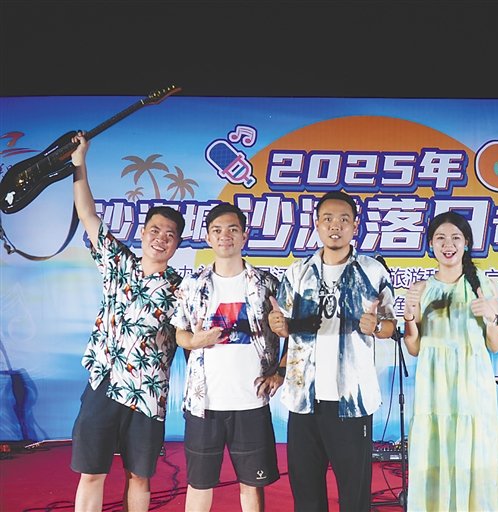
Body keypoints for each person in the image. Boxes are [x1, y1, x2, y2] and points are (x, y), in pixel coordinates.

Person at [69, 133, 185, 512]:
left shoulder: (182, 290)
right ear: (142, 233)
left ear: (177, 245)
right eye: (155, 231)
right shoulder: (118, 263)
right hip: (103, 383)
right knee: (92, 473)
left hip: (147, 395)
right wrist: (79, 163)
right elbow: (88, 215)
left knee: (140, 477)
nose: (160, 239)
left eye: (170, 235)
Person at [267, 191, 396, 512]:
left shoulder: (373, 271)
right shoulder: (297, 272)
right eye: (328, 219)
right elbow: (283, 327)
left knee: (354, 496)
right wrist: (278, 325)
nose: (335, 226)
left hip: (352, 401)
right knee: (307, 495)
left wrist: (376, 327)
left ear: (355, 226)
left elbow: (391, 327)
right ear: (317, 225)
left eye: (343, 219)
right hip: (303, 400)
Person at [171, 202, 282, 512]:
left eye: (233, 229)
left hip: (251, 401)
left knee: (252, 486)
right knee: (199, 484)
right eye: (217, 230)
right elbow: (179, 333)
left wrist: (280, 371)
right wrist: (194, 340)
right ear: (208, 238)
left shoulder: (267, 284)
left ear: (244, 235)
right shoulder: (193, 284)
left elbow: (289, 331)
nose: (225, 236)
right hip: (204, 403)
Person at [403, 211, 498, 512]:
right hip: (434, 386)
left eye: (455, 238)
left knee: (473, 452)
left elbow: (496, 345)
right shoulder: (421, 289)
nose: (447, 245)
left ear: (466, 243)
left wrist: (491, 317)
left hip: (472, 384)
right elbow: (413, 347)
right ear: (431, 244)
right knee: (435, 450)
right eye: (440, 238)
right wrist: (409, 317)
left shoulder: (483, 285)